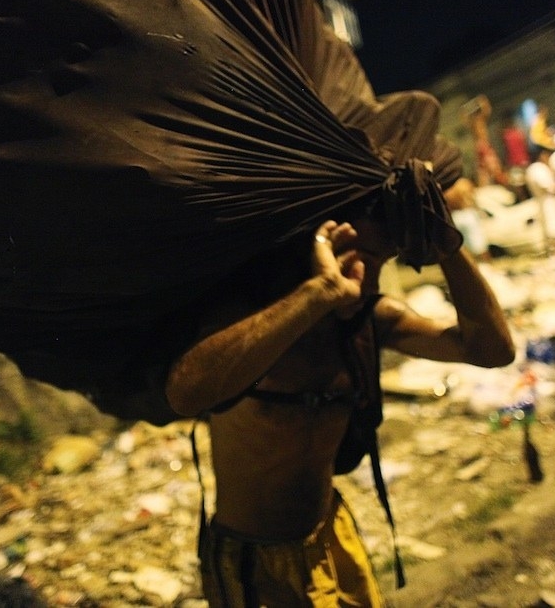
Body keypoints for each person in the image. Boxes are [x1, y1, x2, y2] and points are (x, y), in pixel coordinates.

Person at [165, 197, 514, 605]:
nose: (370, 279)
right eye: (357, 257)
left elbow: (492, 351)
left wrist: (448, 247)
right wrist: (320, 292)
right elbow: (186, 393)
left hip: (331, 536)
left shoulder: (369, 320)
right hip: (255, 561)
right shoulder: (256, 322)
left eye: (383, 261)